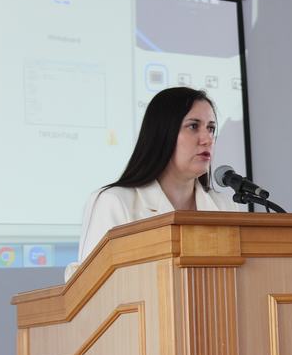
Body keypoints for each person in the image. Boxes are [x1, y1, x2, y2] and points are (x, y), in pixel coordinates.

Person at [77, 87, 239, 263]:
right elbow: (91, 278)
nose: (207, 139)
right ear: (162, 133)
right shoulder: (114, 202)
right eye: (193, 126)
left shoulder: (225, 206)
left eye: (211, 128)